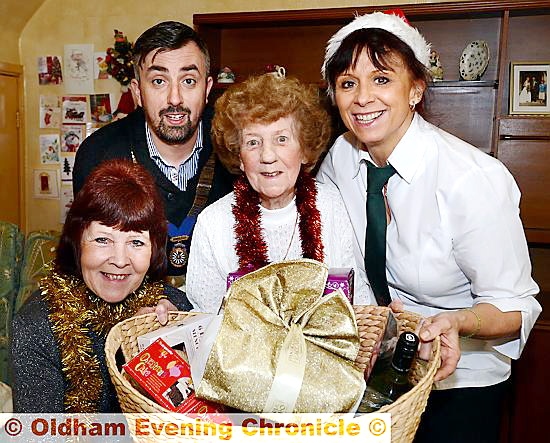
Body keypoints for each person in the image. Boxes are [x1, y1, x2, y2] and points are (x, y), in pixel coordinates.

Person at [317, 9, 541, 442]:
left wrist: (458, 322)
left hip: (459, 380)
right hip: (378, 367)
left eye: (382, 79)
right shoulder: (340, 157)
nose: (363, 98)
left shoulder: (472, 179)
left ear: (416, 88)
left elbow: (516, 306)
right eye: (348, 83)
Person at [11, 159, 193, 413]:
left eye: (137, 243)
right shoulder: (38, 323)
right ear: (77, 242)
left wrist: (172, 348)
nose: (119, 261)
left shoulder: (173, 310)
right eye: (102, 239)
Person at [186, 74, 367, 313]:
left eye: (282, 139)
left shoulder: (332, 205)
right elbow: (206, 320)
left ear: (304, 150)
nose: (268, 156)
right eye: (253, 142)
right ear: (239, 157)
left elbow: (359, 299)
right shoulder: (213, 223)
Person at [73, 21, 234, 287]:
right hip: (135, 314)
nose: (175, 98)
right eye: (159, 81)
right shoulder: (98, 156)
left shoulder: (236, 147)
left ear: (207, 89)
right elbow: (90, 257)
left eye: (189, 81)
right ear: (138, 92)